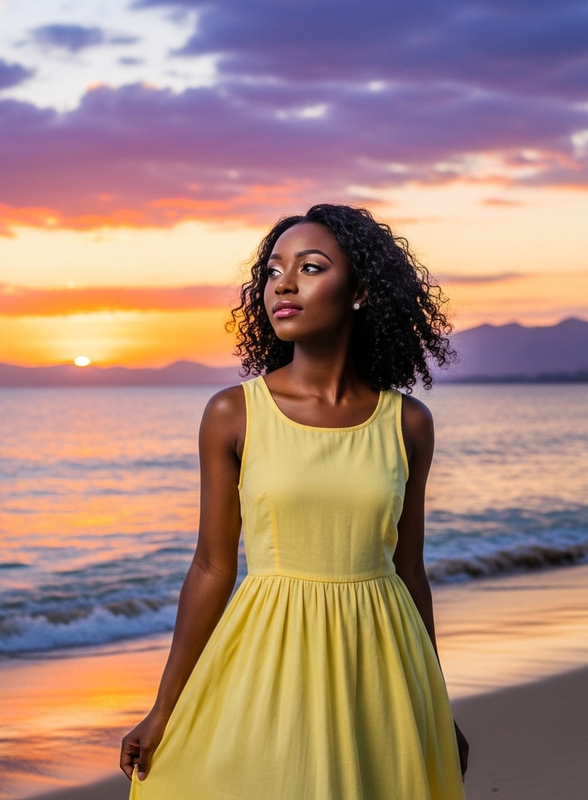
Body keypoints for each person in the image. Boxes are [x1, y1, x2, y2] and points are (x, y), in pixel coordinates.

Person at [120, 203, 469, 799]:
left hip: (381, 659)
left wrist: (435, 700)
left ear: (359, 291)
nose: (283, 283)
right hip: (270, 649)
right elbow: (211, 566)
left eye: (310, 267)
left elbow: (410, 570)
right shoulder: (234, 413)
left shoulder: (408, 423)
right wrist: (163, 707)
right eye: (273, 270)